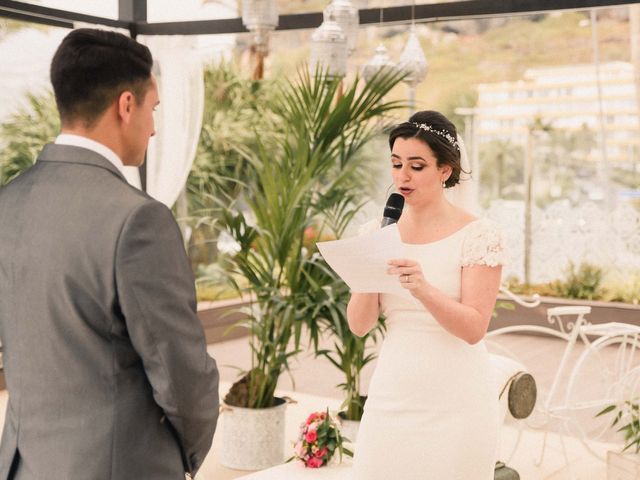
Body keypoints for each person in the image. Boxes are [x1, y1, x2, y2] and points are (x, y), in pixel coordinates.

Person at [0, 28, 219, 480]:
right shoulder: (139, 220)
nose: (155, 127)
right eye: (153, 108)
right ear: (125, 105)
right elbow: (182, 376)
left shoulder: (8, 202)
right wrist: (184, 457)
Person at [348, 110, 505, 479]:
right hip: (394, 391)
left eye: (416, 166)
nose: (402, 176)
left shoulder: (480, 235)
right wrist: (370, 263)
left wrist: (424, 289)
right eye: (396, 163)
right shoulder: (376, 231)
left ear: (445, 171)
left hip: (458, 400)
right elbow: (359, 325)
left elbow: (473, 329)